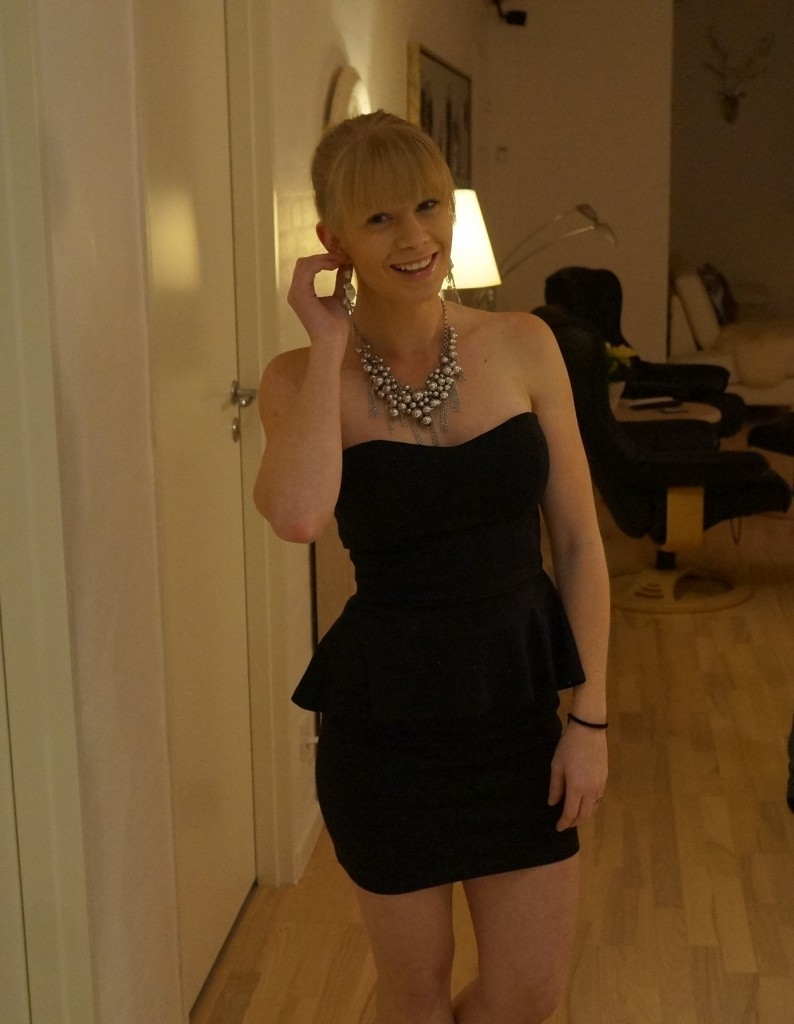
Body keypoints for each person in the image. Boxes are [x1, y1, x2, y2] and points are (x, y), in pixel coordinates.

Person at [254, 110, 610, 1024]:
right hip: (386, 730)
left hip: (517, 713)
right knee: (412, 996)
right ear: (333, 240)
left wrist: (591, 718)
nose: (415, 237)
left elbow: (578, 542)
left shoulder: (524, 343)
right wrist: (327, 342)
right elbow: (298, 516)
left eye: (429, 205)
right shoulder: (298, 377)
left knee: (528, 995)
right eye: (379, 218)